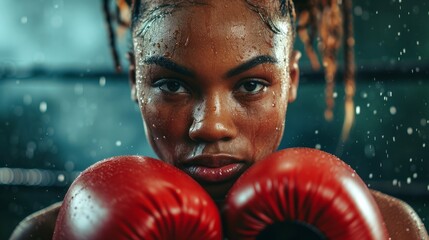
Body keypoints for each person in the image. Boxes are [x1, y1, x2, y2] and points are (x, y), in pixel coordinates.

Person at [10, 0, 429, 239]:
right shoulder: (45, 236)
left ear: (291, 80)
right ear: (137, 80)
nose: (210, 126)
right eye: (172, 86)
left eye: (250, 86)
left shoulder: (393, 230)